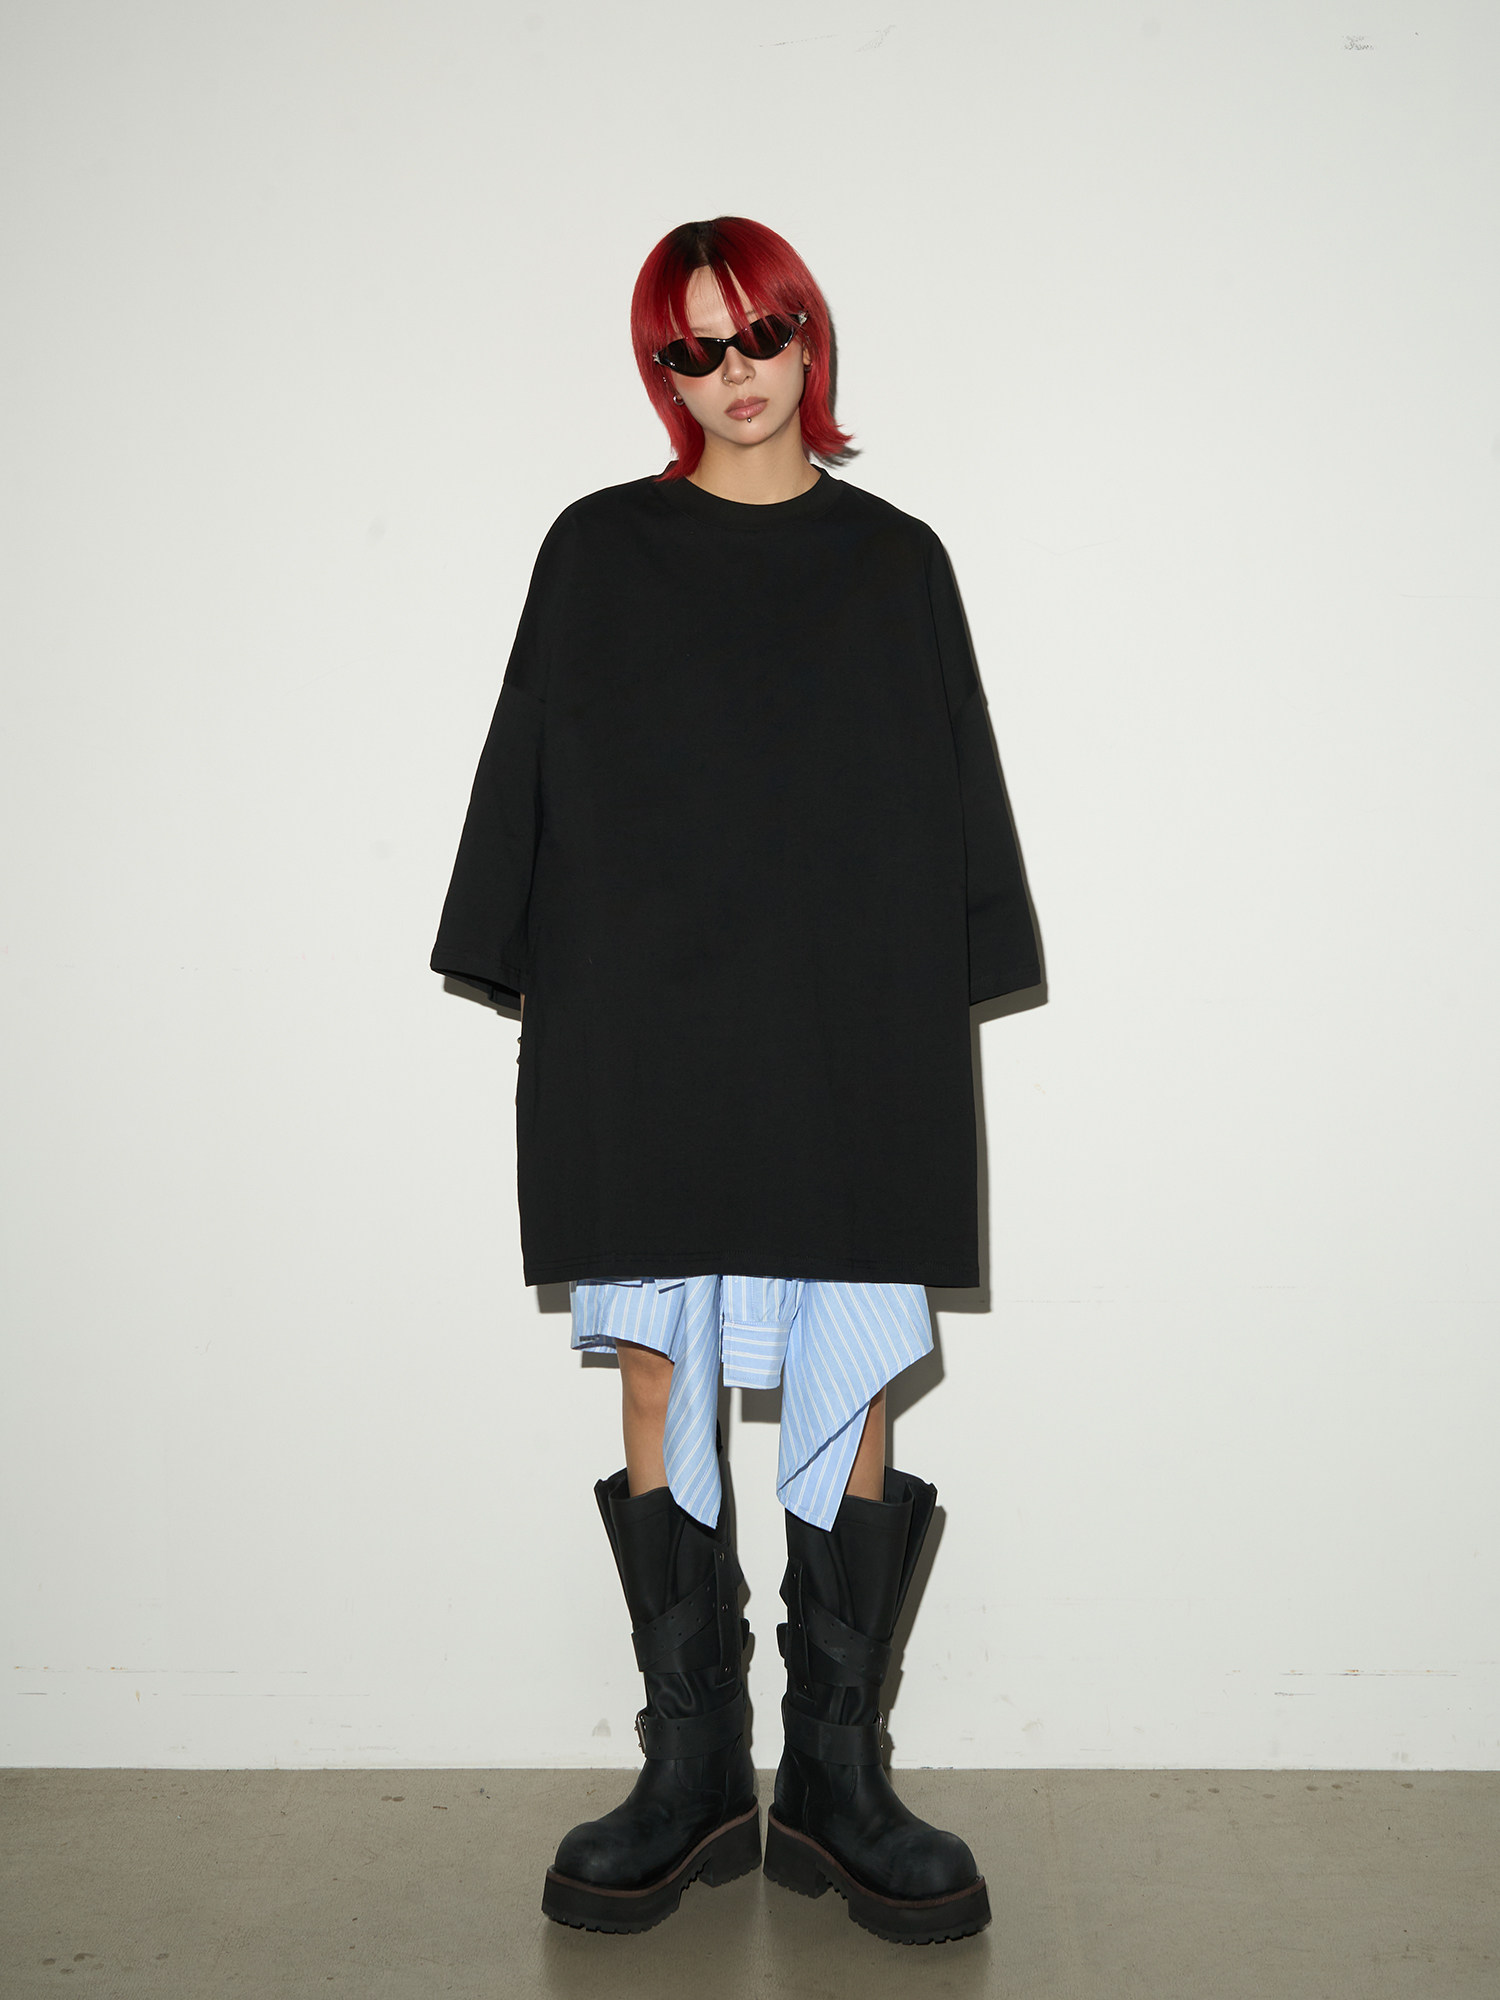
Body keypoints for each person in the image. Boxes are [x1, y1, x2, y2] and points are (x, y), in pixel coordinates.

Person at [430, 215, 1041, 1945]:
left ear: (805, 336)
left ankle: (837, 1780)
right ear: (662, 368)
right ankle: (692, 1765)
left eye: (757, 333)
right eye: (691, 349)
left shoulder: (894, 561)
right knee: (657, 1375)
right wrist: (513, 951)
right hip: (648, 1023)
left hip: (846, 1029)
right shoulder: (597, 550)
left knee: (850, 1381)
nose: (733, 374)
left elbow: (952, 781)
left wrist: (961, 970)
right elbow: (526, 761)